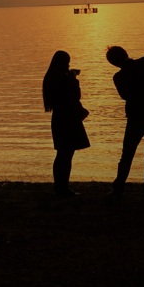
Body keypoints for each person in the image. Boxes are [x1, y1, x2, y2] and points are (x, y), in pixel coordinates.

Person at [107, 46, 144, 200]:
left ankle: (118, 188)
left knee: (127, 154)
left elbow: (125, 95)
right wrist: (143, 61)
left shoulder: (118, 77)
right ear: (125, 54)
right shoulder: (143, 65)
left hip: (136, 117)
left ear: (113, 63)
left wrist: (142, 61)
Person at [42, 50, 90, 196]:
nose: (68, 64)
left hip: (59, 118)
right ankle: (62, 188)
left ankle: (60, 187)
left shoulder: (51, 77)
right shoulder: (63, 79)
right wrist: (74, 78)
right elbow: (74, 96)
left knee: (62, 154)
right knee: (66, 155)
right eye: (67, 61)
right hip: (68, 119)